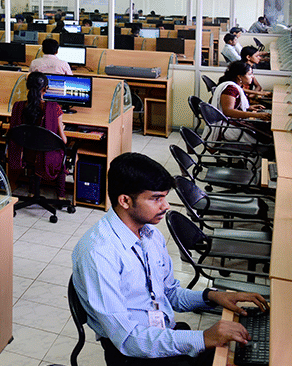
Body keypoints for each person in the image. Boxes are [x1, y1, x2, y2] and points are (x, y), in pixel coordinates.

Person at [72, 152, 269, 366]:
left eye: (164, 197)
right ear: (125, 201)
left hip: (161, 335)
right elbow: (128, 339)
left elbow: (169, 293)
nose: (166, 206)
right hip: (132, 355)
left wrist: (212, 296)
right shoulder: (98, 253)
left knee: (239, 353)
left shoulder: (150, 235)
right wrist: (202, 338)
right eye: (156, 198)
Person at [7, 72, 67, 199]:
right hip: (45, 156)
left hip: (25, 154)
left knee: (35, 153)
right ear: (46, 89)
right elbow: (63, 141)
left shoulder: (18, 106)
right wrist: (61, 128)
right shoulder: (54, 108)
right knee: (65, 154)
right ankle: (61, 196)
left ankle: (32, 191)